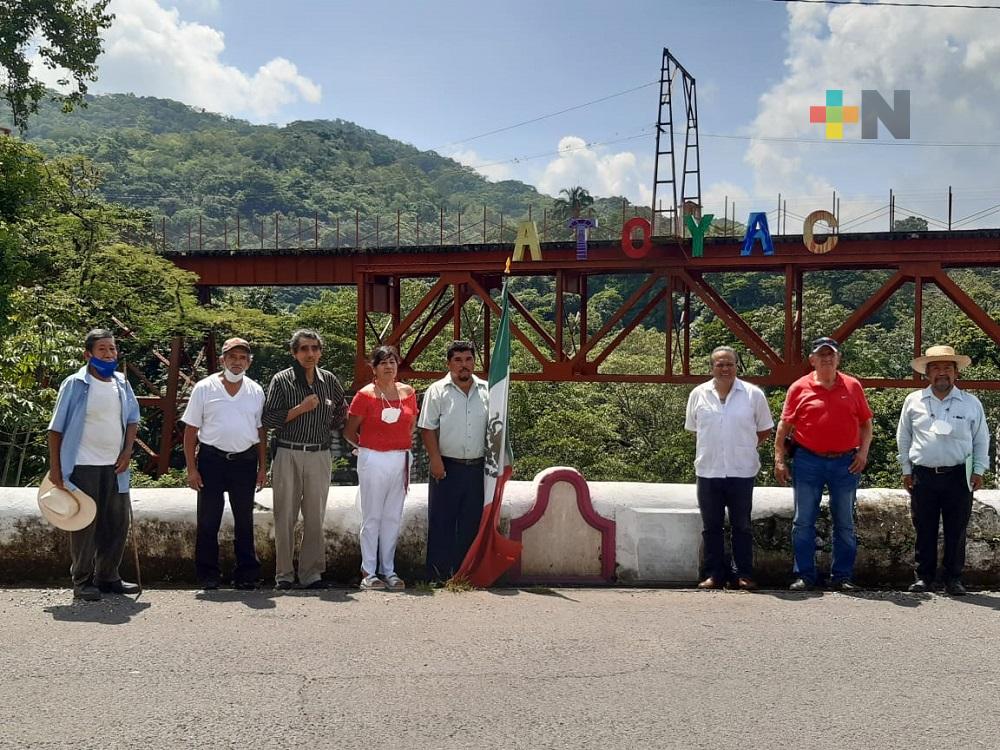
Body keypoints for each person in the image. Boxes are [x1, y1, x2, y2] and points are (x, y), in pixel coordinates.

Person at [47, 329, 140, 601]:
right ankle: (83, 580)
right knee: (85, 524)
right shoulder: (74, 384)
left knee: (117, 522)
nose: (109, 354)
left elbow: (133, 418)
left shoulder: (122, 383)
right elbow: (56, 429)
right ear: (88, 354)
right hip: (82, 465)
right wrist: (56, 469)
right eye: (102, 349)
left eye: (112, 349)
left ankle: (109, 576)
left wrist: (127, 451)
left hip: (115, 466)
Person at [774, 336, 873, 591]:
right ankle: (805, 575)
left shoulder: (853, 386)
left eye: (832, 355)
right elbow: (784, 426)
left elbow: (865, 423)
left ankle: (842, 576)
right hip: (808, 460)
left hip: (845, 462)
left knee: (845, 521)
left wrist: (863, 453)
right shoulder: (799, 387)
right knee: (803, 520)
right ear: (812, 360)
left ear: (838, 358)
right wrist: (779, 460)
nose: (827, 359)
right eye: (822, 355)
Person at [897, 345, 990, 596]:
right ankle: (923, 577)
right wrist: (906, 469)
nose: (942, 373)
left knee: (957, 529)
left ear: (956, 373)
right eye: (936, 368)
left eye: (947, 368)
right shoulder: (913, 401)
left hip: (959, 474)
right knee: (923, 527)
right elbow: (904, 437)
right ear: (927, 373)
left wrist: (979, 470)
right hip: (923, 474)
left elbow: (981, 439)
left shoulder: (971, 404)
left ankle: (954, 578)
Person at [262, 329, 348, 590]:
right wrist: (300, 409)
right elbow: (269, 420)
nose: (310, 353)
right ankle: (284, 575)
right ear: (294, 352)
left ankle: (311, 574)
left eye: (314, 348)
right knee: (284, 516)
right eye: (304, 349)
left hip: (319, 454)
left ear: (320, 351)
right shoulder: (282, 380)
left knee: (315, 516)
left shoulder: (329, 381)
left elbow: (341, 411)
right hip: (288, 452)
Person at [684, 346, 773, 590]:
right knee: (711, 526)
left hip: (742, 470)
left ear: (737, 366)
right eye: (720, 364)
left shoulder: (753, 394)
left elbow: (765, 428)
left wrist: (743, 445)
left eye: (729, 364)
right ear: (711, 367)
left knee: (742, 526)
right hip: (708, 469)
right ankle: (714, 574)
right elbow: (695, 430)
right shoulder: (698, 394)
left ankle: (742, 573)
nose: (725, 369)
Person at [182, 337, 267, 591]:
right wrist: (191, 468)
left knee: (244, 520)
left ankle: (247, 573)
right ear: (222, 360)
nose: (237, 362)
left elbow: (261, 432)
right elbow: (190, 431)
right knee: (209, 520)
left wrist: (263, 467)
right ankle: (208, 574)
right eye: (232, 357)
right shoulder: (204, 388)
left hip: (244, 461)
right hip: (212, 460)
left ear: (249, 362)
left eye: (242, 358)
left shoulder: (255, 390)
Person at [343, 346, 418, 591]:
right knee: (372, 515)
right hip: (373, 459)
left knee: (392, 516)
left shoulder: (408, 392)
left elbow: (411, 426)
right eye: (383, 362)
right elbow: (349, 431)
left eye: (393, 362)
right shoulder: (365, 395)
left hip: (400, 458)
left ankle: (389, 569)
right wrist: (366, 449)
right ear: (373, 368)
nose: (389, 366)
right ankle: (368, 571)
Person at [418, 341, 489, 583]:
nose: (463, 365)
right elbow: (427, 428)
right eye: (457, 360)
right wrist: (436, 461)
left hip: (477, 468)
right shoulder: (437, 391)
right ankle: (437, 576)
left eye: (468, 359)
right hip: (446, 466)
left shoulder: (488, 390)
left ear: (474, 362)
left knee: (470, 523)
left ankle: (464, 575)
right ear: (449, 364)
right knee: (441, 521)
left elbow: (497, 429)